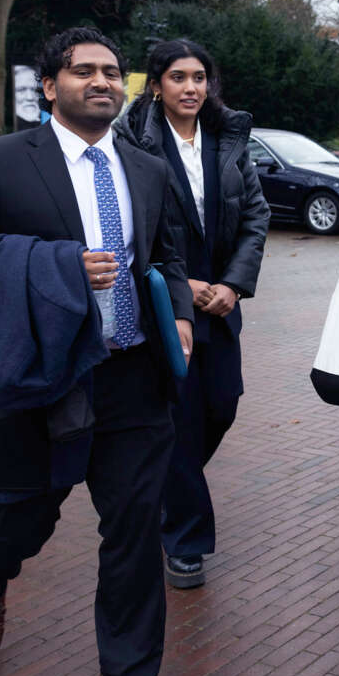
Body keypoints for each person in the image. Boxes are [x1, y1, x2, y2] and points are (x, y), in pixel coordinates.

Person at [0, 27, 197, 676]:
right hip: (39, 378)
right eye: (84, 71)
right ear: (51, 87)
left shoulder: (148, 167)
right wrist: (54, 268)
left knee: (135, 528)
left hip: (133, 374)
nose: (102, 81)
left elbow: (166, 258)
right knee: (23, 520)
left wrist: (183, 313)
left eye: (113, 71)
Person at [115, 39, 270, 590]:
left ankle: (162, 487)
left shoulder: (228, 138)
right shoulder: (132, 140)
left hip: (222, 302)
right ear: (156, 84)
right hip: (166, 302)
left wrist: (233, 284)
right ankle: (185, 539)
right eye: (178, 77)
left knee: (222, 405)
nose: (190, 88)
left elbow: (255, 214)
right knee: (178, 422)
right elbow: (133, 227)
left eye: (199, 77)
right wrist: (184, 286)